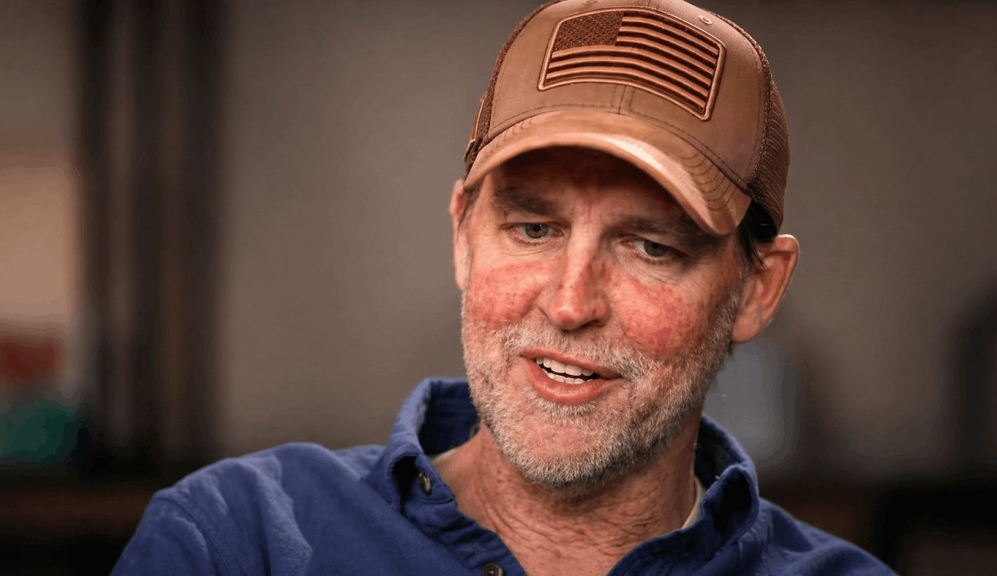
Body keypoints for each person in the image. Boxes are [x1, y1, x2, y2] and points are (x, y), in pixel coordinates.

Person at [115, 0, 895, 574]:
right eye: (534, 230)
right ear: (463, 235)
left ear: (758, 288)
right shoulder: (233, 541)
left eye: (651, 247)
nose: (568, 303)